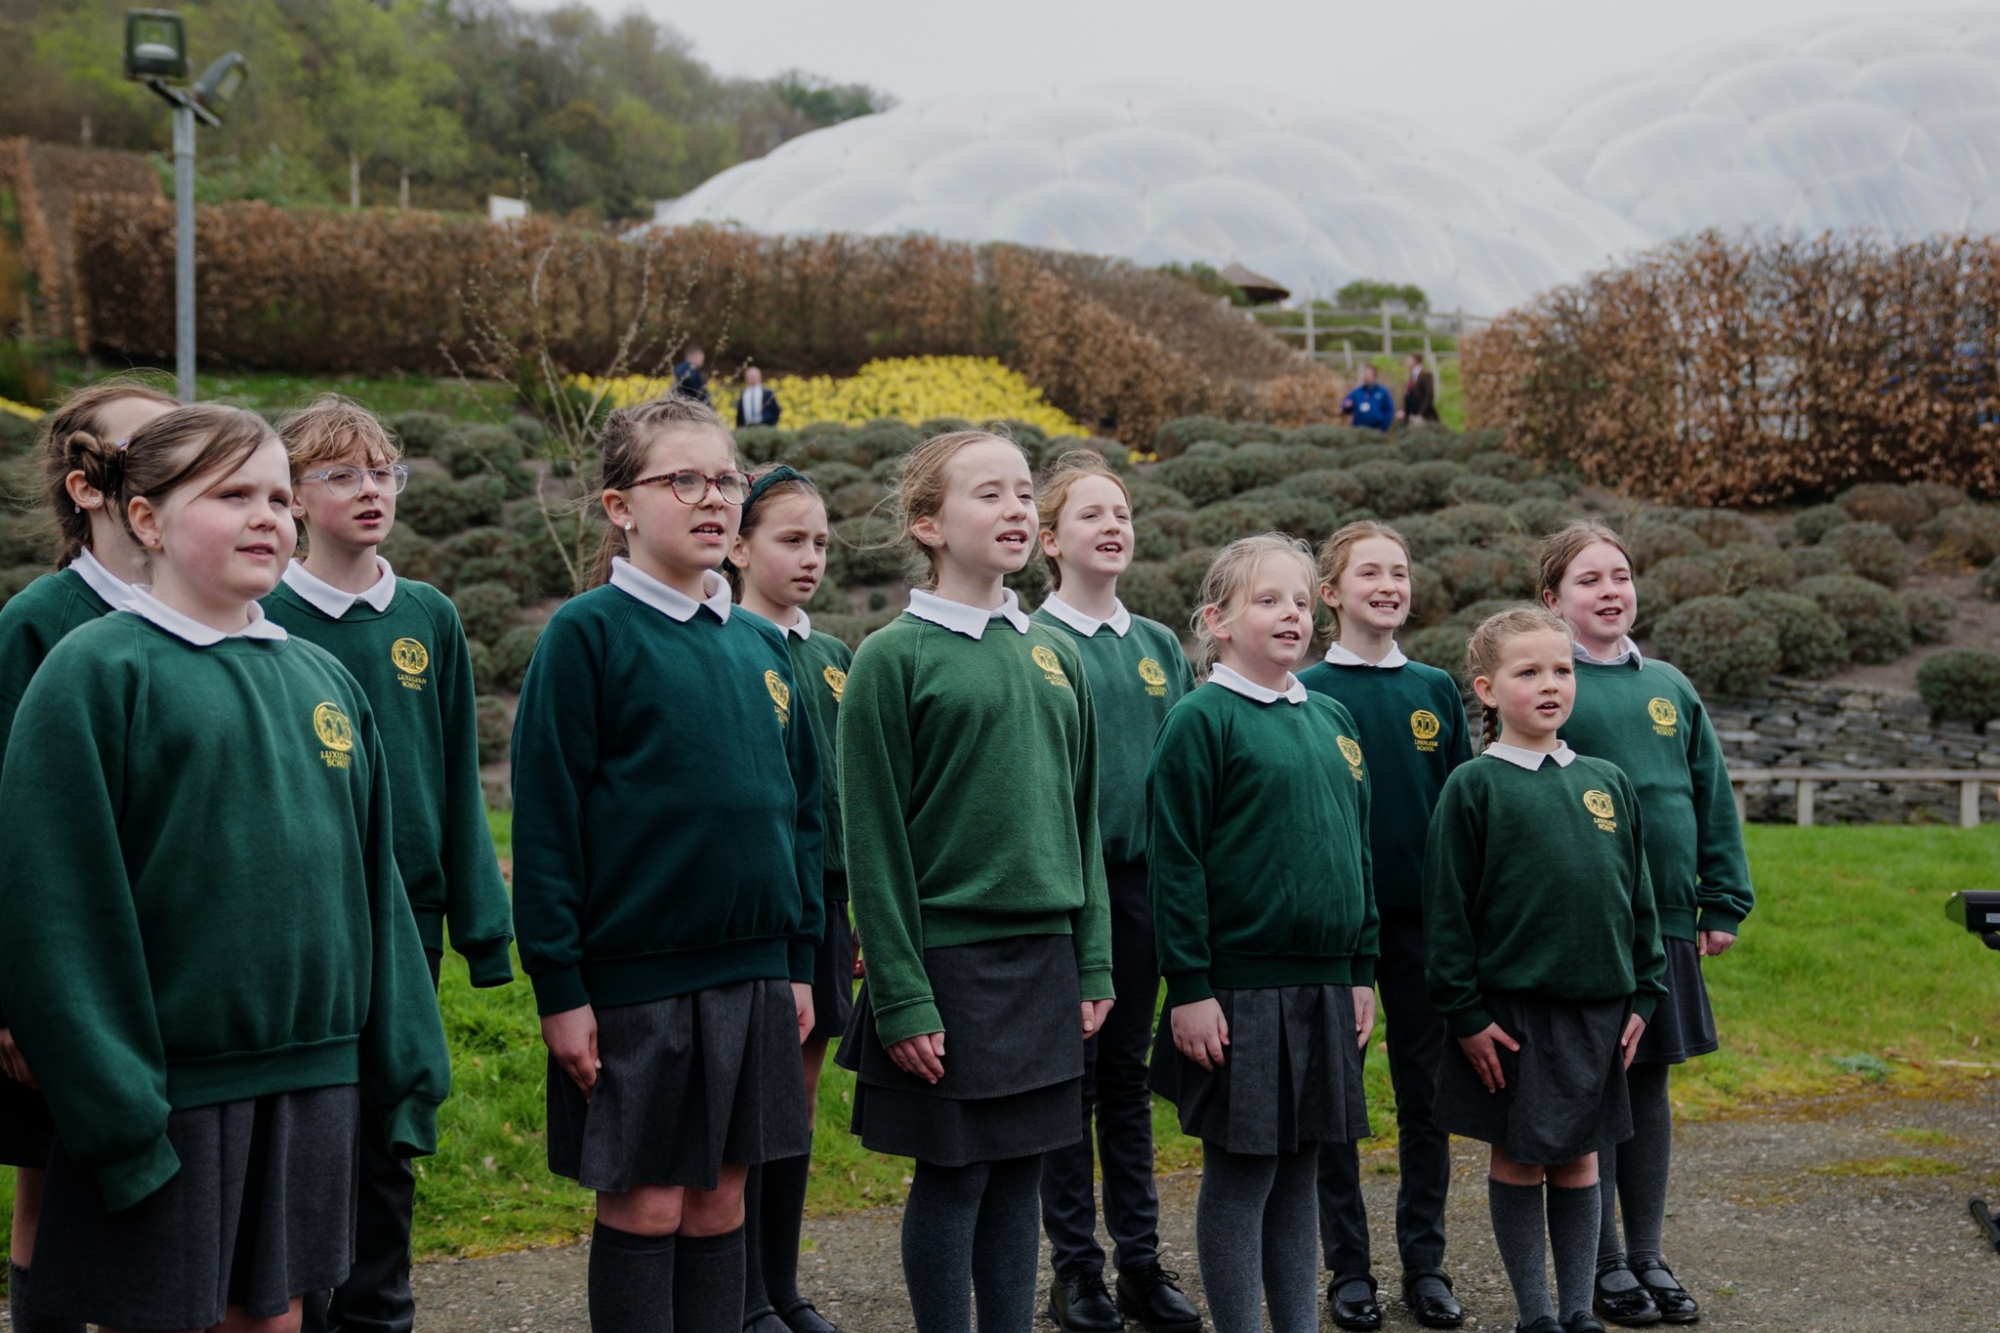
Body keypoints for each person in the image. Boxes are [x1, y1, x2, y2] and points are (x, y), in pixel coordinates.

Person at [0, 403, 451, 1333]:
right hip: (170, 1099)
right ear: (147, 519)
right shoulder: (96, 673)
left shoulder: (326, 683)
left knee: (276, 1316)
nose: (267, 516)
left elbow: (378, 896)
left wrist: (403, 1069)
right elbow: (56, 914)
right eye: (231, 493)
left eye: (280, 497)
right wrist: (118, 1108)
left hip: (314, 1089)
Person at [511, 395, 823, 1333]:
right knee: (647, 1202)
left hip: (756, 977)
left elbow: (802, 815)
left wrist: (798, 960)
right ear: (619, 504)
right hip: (636, 987)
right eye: (680, 478)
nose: (711, 497)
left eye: (725, 478)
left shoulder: (761, 648)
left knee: (723, 1197)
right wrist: (561, 989)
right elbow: (549, 822)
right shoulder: (589, 634)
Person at [835, 429, 1113, 1333]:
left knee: (1022, 1173)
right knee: (953, 1178)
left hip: (1043, 965)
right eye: (988, 494)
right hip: (945, 965)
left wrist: (1095, 966)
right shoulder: (892, 658)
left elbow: (1084, 827)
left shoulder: (1055, 654)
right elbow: (872, 843)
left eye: (1025, 493)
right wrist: (902, 997)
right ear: (928, 521)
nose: (1018, 511)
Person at [262, 396, 517, 1333]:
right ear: (290, 497)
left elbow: (457, 783)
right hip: (304, 925)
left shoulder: (429, 616)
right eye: (340, 474)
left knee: (388, 1129)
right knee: (309, 1131)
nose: (370, 490)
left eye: (382, 471)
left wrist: (483, 933)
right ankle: (304, 1303)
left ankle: (380, 1310)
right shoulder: (263, 614)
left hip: (409, 924)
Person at [1146, 533, 1378, 1333]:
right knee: (1244, 1174)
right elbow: (1174, 864)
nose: (1292, 614)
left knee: (1303, 1169)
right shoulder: (1200, 720)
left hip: (1323, 986)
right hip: (1237, 991)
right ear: (1217, 618)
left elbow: (1358, 851)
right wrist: (1191, 987)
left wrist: (1360, 969)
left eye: (1303, 601)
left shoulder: (1336, 718)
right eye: (1269, 599)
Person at [1424, 606, 1666, 1333]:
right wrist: (1466, 1016)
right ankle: (1536, 1314)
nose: (1551, 683)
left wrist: (1646, 994)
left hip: (1599, 1009)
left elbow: (1639, 900)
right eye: (1528, 672)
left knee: (1582, 1160)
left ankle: (1579, 1309)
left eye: (1561, 669)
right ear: (1488, 689)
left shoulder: (1607, 781)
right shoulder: (1474, 786)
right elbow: (1447, 916)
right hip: (1511, 1016)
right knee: (1522, 1157)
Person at [1537, 522, 1754, 1329]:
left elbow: (1709, 792)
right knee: (1594, 1090)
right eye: (1589, 579)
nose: (1609, 592)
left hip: (1663, 921)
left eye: (1620, 576)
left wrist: (1722, 897)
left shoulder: (1669, 684)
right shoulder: (1552, 682)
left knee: (1649, 1085)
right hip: (1586, 928)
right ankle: (1598, 1259)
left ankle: (1647, 1251)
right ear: (1553, 599)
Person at [0, 376, 175, 1333]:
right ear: (89, 487)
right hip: (70, 964)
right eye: (148, 447)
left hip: (176, 968)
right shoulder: (37, 624)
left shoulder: (202, 617)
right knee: (55, 1181)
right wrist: (17, 996)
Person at [1030, 452, 1200, 1333]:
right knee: (1074, 1080)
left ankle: (1139, 1260)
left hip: (1144, 893)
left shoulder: (1159, 645)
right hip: (1068, 897)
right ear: (1050, 539)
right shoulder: (1036, 644)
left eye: (1122, 511)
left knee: (1128, 1081)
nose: (1113, 525)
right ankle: (1075, 1269)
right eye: (1090, 514)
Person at [1299, 522, 1472, 1332]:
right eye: (1369, 572)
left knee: (1427, 1099)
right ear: (1330, 592)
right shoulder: (1308, 690)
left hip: (1426, 931)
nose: (1388, 583)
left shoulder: (1436, 689)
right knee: (1337, 1103)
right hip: (1338, 935)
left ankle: (1425, 1261)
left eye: (1399, 571)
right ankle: (1348, 1265)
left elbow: (1466, 815)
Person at [723, 464, 852, 1333]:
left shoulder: (835, 655)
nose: (810, 559)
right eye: (789, 540)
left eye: (820, 544)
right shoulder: (727, 641)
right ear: (737, 545)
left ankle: (781, 1284)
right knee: (746, 1106)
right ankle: (735, 1293)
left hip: (831, 903)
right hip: (761, 905)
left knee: (795, 1105)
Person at [1340, 366, 1395, 433]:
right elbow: (1345, 406)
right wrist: (1346, 406)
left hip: (1375, 431)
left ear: (1374, 376)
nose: (1366, 377)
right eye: (1365, 374)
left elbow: (1389, 411)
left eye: (1368, 374)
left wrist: (1383, 428)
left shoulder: (1383, 392)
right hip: (1358, 430)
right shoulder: (1356, 392)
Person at [1402, 355, 1439, 425]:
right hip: (1411, 410)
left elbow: (1429, 394)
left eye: (1408, 360)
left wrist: (1421, 413)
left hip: (1421, 412)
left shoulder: (1425, 374)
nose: (1406, 362)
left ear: (1415, 361)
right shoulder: (1412, 374)